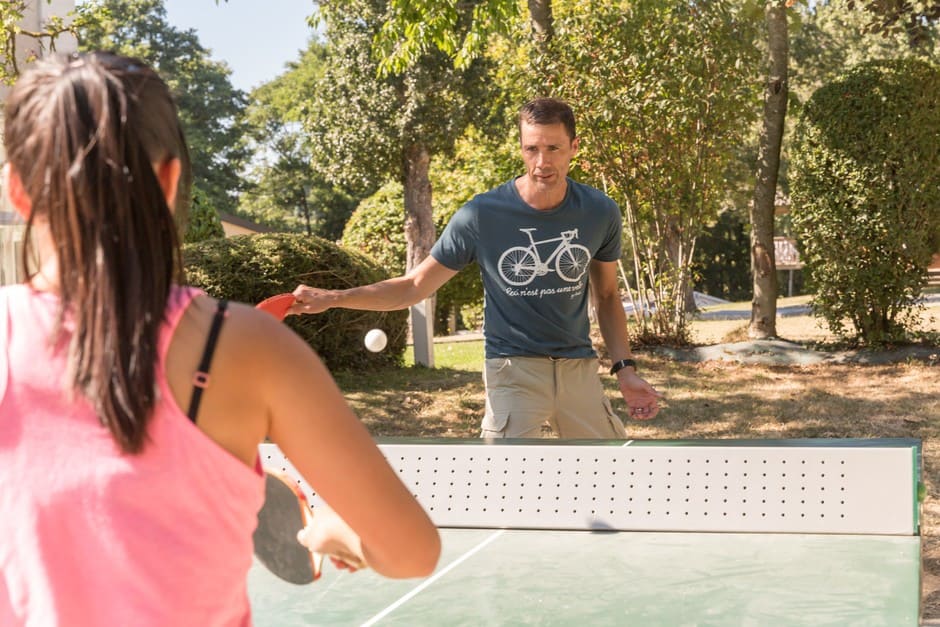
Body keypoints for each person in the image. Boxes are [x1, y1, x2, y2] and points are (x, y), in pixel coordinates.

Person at [0, 52, 439, 626]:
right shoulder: (248, 348)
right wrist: (341, 533)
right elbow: (412, 551)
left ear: (19, 193)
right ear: (169, 180)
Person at [291, 97, 661, 439]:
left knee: (609, 478)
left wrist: (625, 369)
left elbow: (608, 295)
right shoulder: (481, 214)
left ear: (574, 148)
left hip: (578, 367)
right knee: (503, 492)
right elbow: (413, 286)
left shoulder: (600, 212)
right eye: (531, 149)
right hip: (511, 370)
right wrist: (334, 298)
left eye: (553, 148)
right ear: (521, 147)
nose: (542, 163)